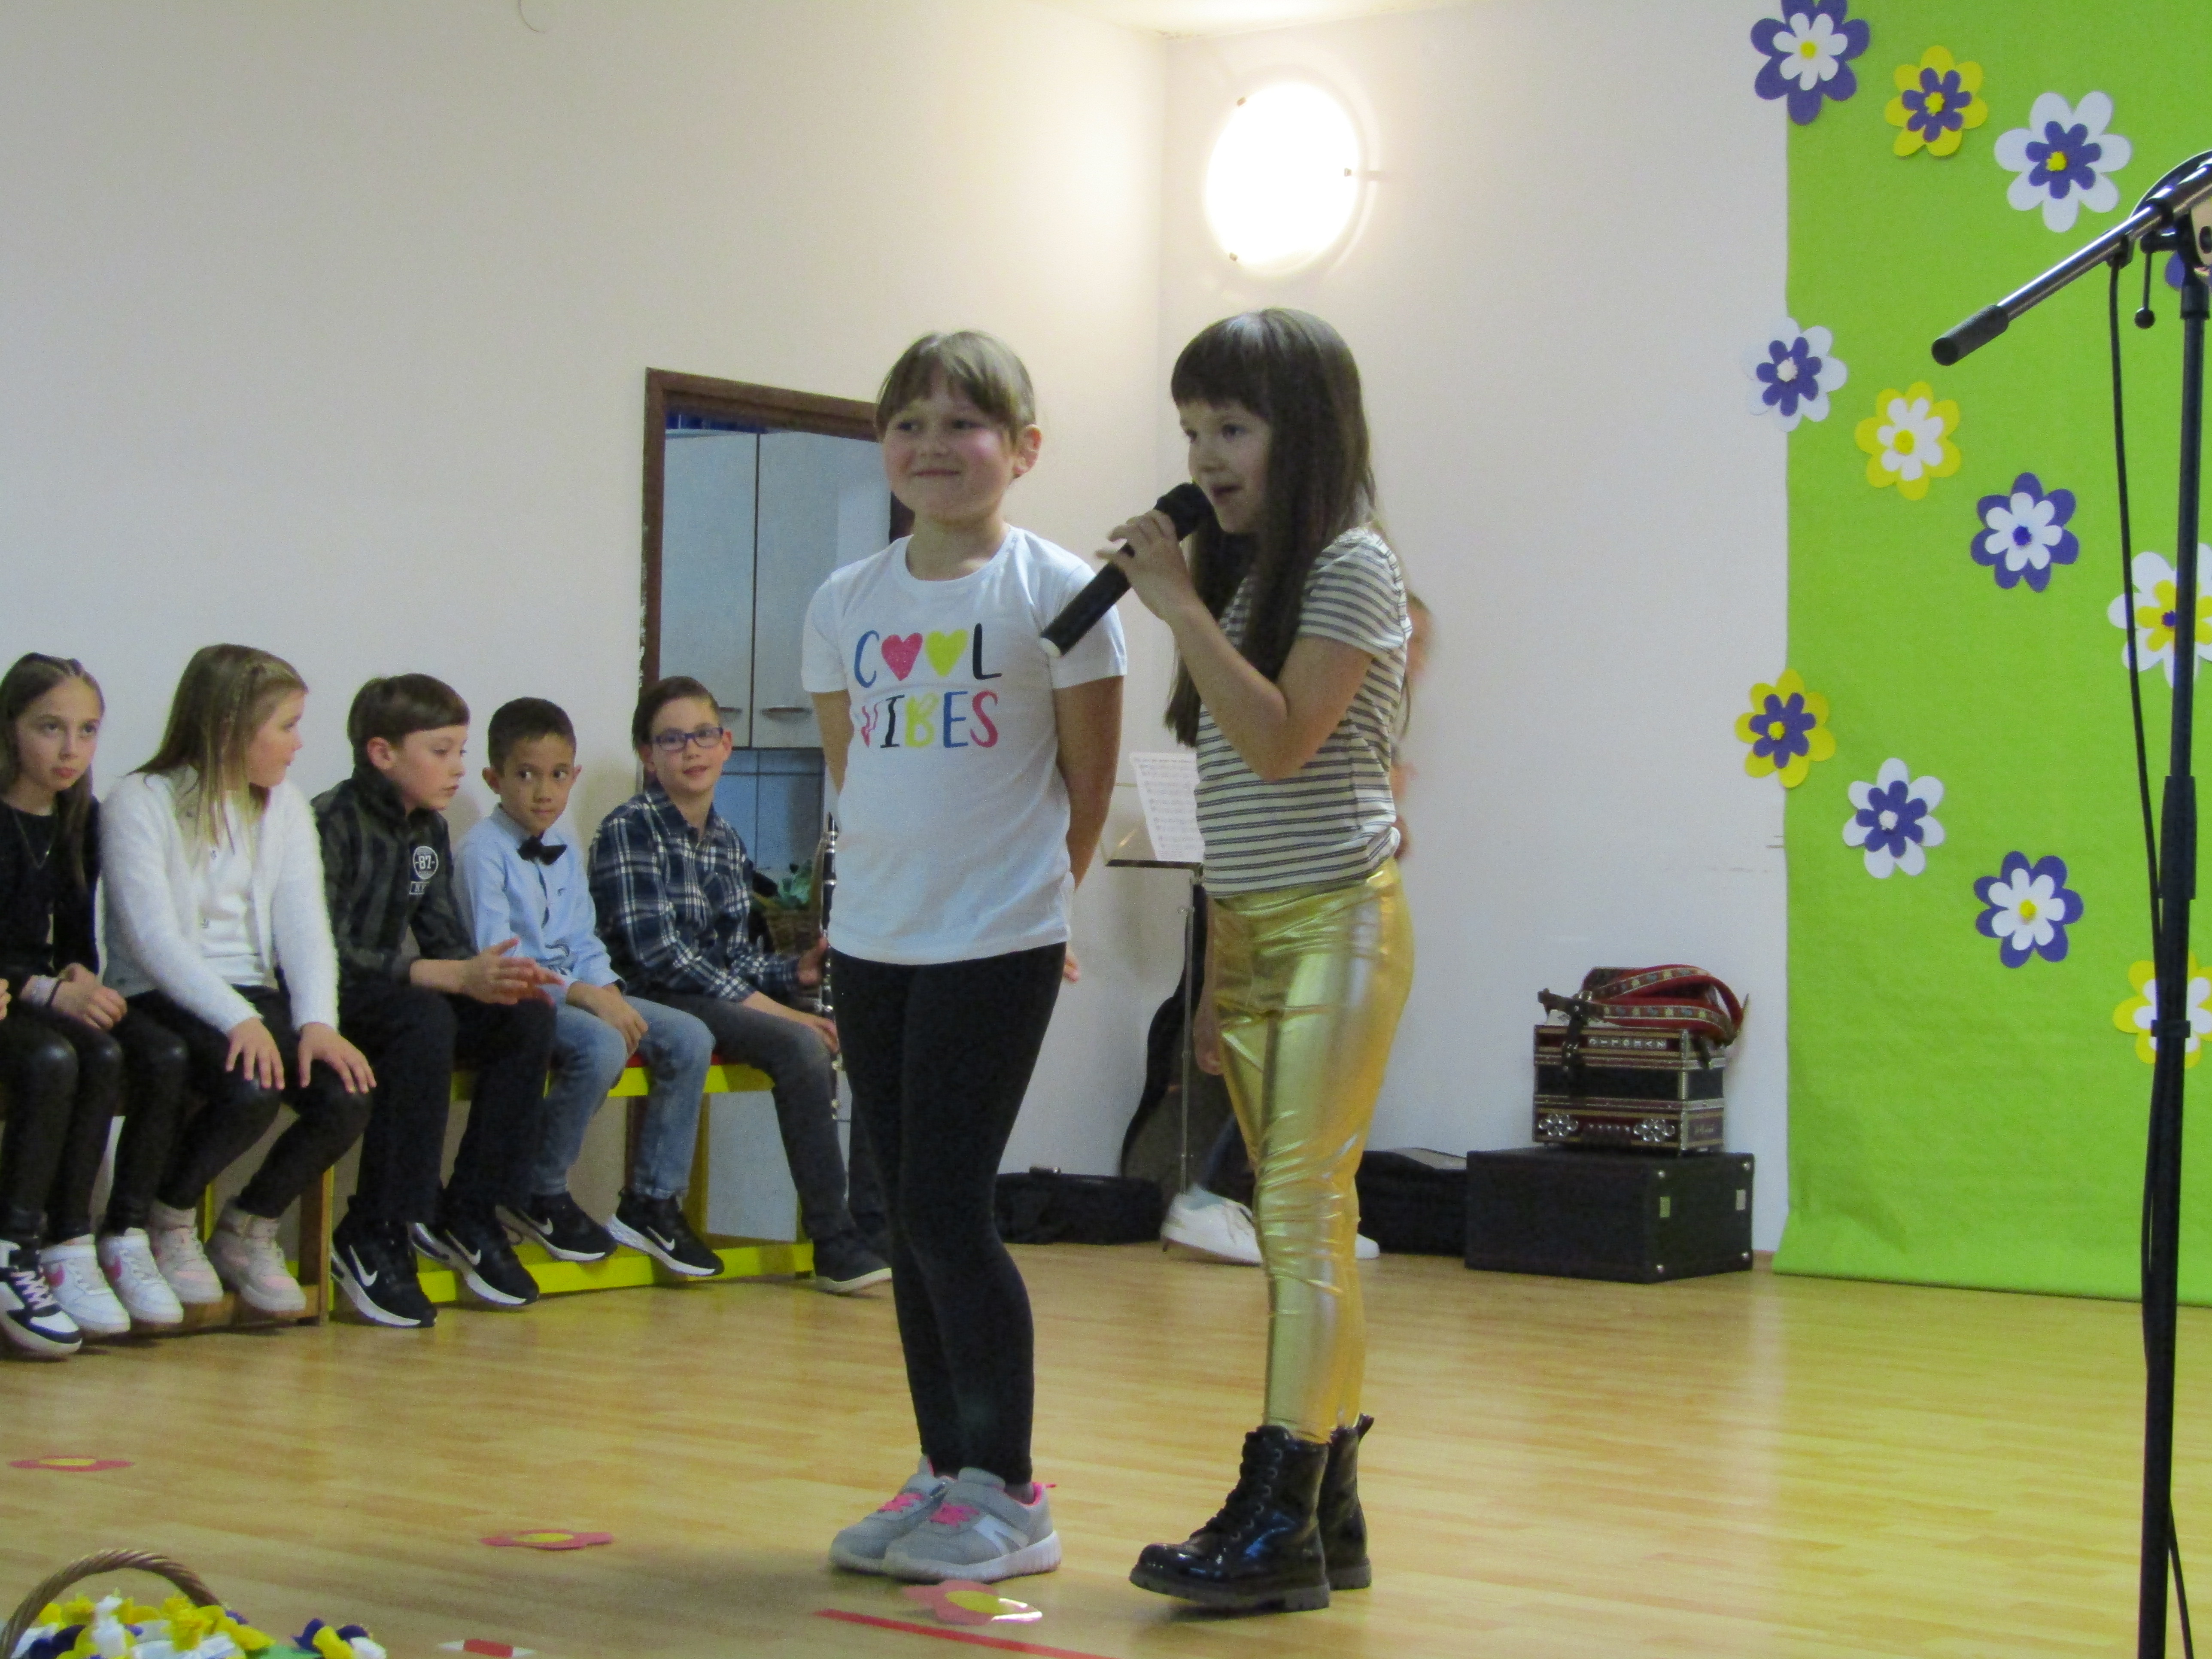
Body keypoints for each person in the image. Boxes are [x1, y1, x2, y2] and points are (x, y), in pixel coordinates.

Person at [807, 331, 1123, 1585]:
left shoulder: (1060, 593)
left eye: (962, 424)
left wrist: (1040, 910)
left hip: (996, 942)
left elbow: (1087, 787)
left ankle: (1009, 1491)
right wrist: (876, 904)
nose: (931, 447)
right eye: (907, 424)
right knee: (905, 1215)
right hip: (872, 942)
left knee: (948, 1207)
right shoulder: (845, 602)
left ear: (1023, 449)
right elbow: (857, 775)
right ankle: (947, 1471)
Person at [1113, 309, 1415, 1613]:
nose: (1205, 456)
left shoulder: (1353, 566)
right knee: (1312, 1222)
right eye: (1191, 429)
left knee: (1293, 1212)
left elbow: (1285, 742)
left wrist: (1176, 604)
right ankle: (1328, 1508)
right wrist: (1210, 969)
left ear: (1307, 433)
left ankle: (1275, 1511)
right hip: (1244, 931)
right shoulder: (1243, 582)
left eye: (1232, 427)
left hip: (1337, 920)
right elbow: (1230, 788)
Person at [589, 676, 887, 1297]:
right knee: (801, 1045)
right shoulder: (631, 827)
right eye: (672, 740)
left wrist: (794, 973)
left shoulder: (725, 840)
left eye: (703, 735)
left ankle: (875, 1224)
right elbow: (662, 957)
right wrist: (779, 1012)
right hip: (646, 998)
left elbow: (734, 955)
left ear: (726, 744)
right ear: (648, 755)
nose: (691, 751)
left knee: (860, 1029)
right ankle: (833, 1241)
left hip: (706, 997)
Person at [103, 644, 375, 1322]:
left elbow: (305, 925)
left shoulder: (284, 806)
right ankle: (167, 1220)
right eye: (286, 725)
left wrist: (317, 1022)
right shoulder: (141, 799)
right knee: (252, 1086)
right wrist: (237, 1020)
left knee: (346, 1093)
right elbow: (152, 941)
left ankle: (248, 1227)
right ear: (229, 727)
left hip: (250, 995)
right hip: (161, 995)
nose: (298, 743)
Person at [1159, 591, 1428, 1264]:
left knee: (1311, 1084)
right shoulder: (1305, 718)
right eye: (1405, 638)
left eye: (1417, 644)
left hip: (1318, 921)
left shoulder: (1362, 725)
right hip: (1285, 922)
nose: (1412, 656)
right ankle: (1219, 1197)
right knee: (1286, 1080)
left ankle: (1279, 1204)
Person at [317, 675, 559, 1327]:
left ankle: (473, 1209)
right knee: (423, 1018)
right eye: (441, 752)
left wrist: (493, 977)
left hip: (400, 993)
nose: (457, 769)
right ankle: (375, 1227)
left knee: (525, 1016)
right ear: (382, 753)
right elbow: (327, 954)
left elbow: (444, 938)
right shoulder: (329, 822)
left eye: (461, 752)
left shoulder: (429, 830)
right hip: (333, 1004)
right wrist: (443, 975)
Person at [456, 697, 722, 1277]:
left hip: (579, 987)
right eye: (526, 775)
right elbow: (502, 959)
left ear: (573, 776)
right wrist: (586, 996)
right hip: (525, 1000)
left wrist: (609, 992)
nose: (544, 792)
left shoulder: (564, 843)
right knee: (602, 1045)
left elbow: (583, 938)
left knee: (689, 1037)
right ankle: (539, 1186)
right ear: (494, 779)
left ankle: (653, 1200)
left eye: (557, 776)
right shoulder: (482, 851)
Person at [0, 655, 187, 1353]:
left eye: (87, 730)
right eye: (50, 728)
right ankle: (14, 1244)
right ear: (11, 729)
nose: (71, 749)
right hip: (10, 996)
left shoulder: (82, 817)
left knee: (143, 1052)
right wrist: (52, 990)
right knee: (53, 1060)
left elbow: (78, 940)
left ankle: (84, 1241)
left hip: (40, 990)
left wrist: (81, 975)